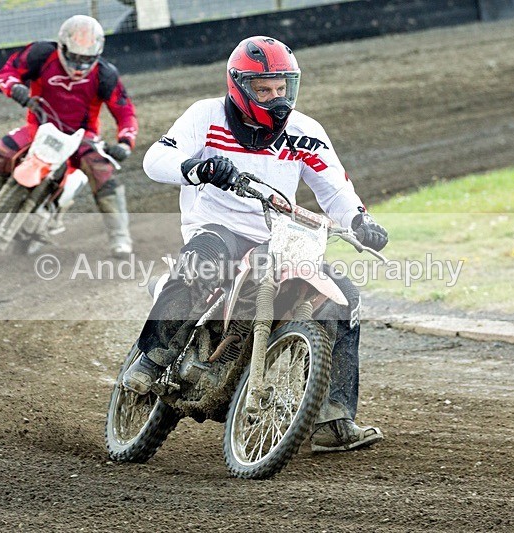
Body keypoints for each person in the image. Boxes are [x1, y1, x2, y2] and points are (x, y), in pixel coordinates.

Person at [123, 36, 389, 453]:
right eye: (264, 90)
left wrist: (361, 220)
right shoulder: (206, 115)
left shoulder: (305, 132)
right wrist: (197, 166)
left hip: (278, 236)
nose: (276, 98)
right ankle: (152, 356)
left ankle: (333, 419)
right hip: (217, 226)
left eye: (282, 89)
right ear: (239, 87)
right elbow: (155, 159)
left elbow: (335, 190)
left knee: (345, 298)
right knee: (203, 262)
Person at [0, 15, 138, 258]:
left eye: (86, 60)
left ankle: (120, 236)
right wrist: (15, 88)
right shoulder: (40, 54)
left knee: (103, 172)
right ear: (62, 46)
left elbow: (125, 112)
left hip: (82, 137)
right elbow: (7, 72)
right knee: (3, 149)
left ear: (97, 55)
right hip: (39, 127)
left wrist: (125, 143)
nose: (77, 66)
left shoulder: (106, 75)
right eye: (73, 57)